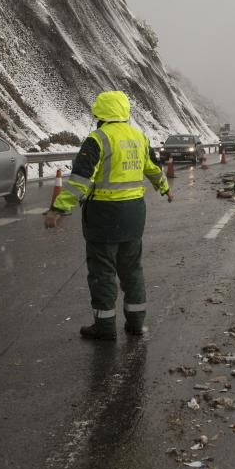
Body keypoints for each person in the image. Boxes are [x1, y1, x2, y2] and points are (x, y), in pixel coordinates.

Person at [44, 91, 173, 340]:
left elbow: (80, 181)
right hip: (135, 214)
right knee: (132, 269)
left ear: (100, 113)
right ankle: (136, 323)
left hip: (104, 215)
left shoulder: (98, 139)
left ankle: (104, 327)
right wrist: (165, 188)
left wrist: (58, 209)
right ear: (124, 111)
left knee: (103, 272)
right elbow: (153, 168)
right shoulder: (139, 137)